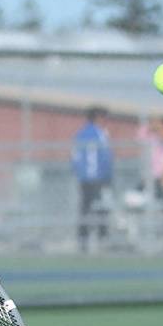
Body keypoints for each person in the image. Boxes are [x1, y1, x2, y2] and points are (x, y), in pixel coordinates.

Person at [71, 106, 113, 251]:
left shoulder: (80, 134)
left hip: (84, 179)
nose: (106, 121)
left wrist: (79, 174)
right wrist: (107, 177)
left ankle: (83, 240)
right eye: (104, 118)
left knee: (85, 209)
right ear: (97, 118)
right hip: (99, 179)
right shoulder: (100, 134)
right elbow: (106, 158)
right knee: (102, 208)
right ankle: (102, 239)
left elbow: (74, 159)